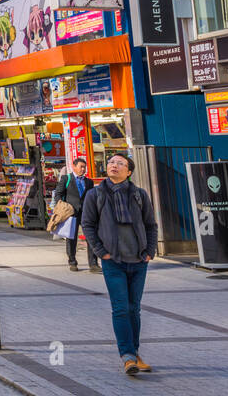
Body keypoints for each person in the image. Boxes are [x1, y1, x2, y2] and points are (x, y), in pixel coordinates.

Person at [81, 153, 157, 375]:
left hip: (138, 260)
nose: (114, 166)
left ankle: (134, 353)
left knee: (135, 310)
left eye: (120, 163)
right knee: (121, 308)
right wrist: (101, 252)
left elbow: (151, 225)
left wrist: (149, 251)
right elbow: (87, 224)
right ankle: (127, 356)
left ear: (129, 171)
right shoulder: (95, 194)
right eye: (112, 162)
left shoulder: (139, 195)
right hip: (113, 261)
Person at [54, 156, 99, 272]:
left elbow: (92, 197)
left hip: (86, 213)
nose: (83, 169)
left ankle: (93, 264)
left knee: (91, 237)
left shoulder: (89, 182)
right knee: (71, 238)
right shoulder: (66, 179)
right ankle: (72, 262)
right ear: (74, 167)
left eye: (85, 167)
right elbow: (58, 193)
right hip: (71, 213)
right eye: (81, 167)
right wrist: (61, 207)